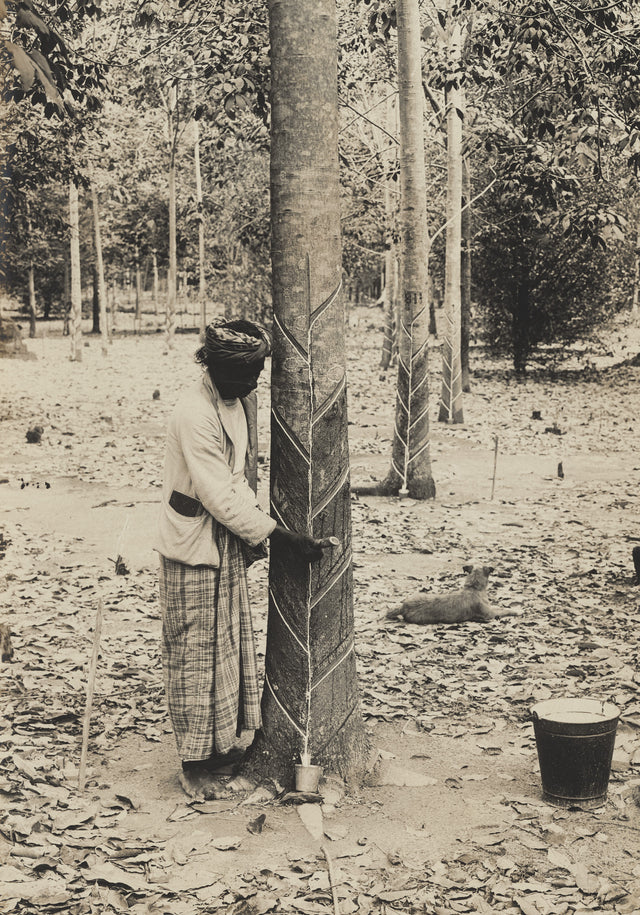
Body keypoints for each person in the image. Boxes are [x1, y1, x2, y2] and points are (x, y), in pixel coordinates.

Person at [155, 319, 325, 799]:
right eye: (243, 374)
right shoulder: (195, 412)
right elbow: (216, 494)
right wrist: (281, 537)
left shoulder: (237, 400)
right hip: (192, 545)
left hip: (222, 540)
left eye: (258, 372)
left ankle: (216, 747)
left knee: (223, 649)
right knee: (193, 653)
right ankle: (192, 764)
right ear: (213, 366)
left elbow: (238, 478)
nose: (253, 384)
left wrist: (260, 533)